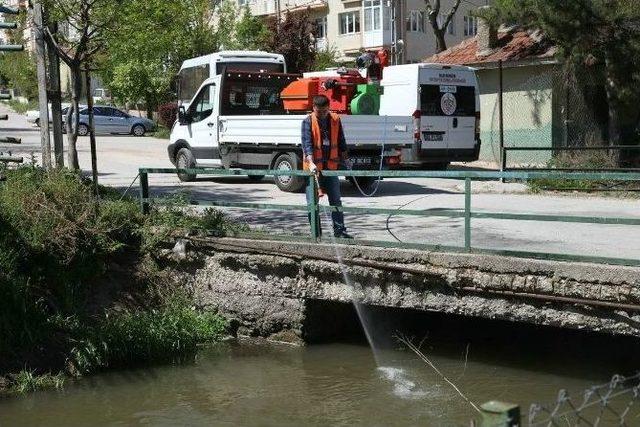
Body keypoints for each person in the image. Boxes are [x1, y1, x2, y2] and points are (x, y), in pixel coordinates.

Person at [301, 95, 353, 239]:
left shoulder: (335, 120)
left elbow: (341, 141)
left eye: (325, 111)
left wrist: (346, 158)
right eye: (319, 112)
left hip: (330, 168)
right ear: (314, 109)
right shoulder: (307, 122)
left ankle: (340, 231)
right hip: (313, 169)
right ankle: (316, 234)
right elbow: (307, 144)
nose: (323, 114)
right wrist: (310, 162)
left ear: (328, 108)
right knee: (312, 202)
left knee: (336, 200)